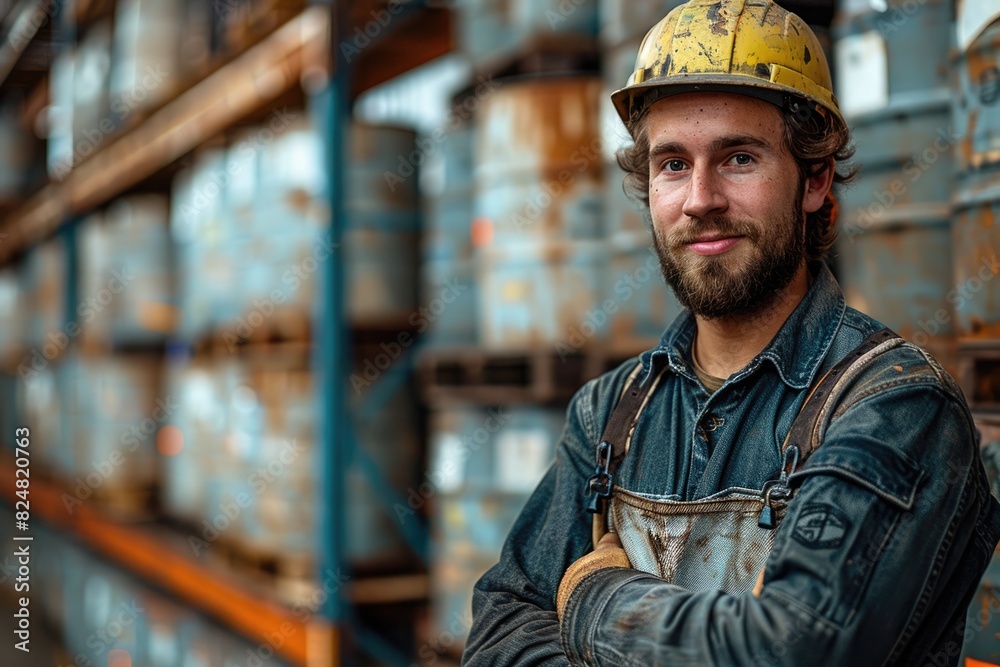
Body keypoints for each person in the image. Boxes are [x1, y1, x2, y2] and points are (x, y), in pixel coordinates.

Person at [461, 0, 1000, 665]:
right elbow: (497, 633)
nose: (700, 199)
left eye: (739, 158)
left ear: (816, 177)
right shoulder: (609, 417)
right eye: (672, 164)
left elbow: (788, 651)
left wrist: (593, 593)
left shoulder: (892, 408)